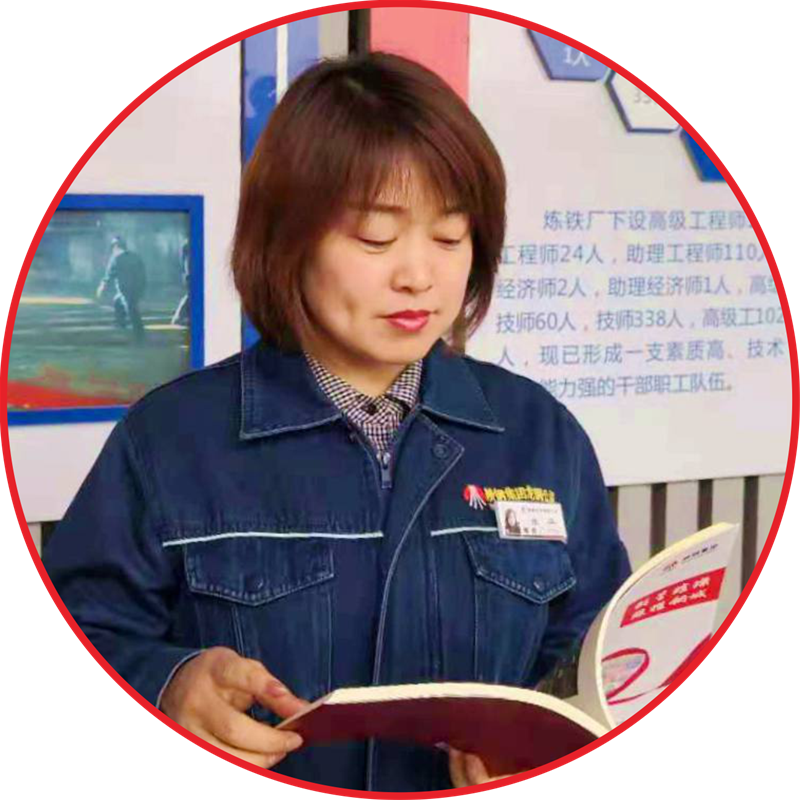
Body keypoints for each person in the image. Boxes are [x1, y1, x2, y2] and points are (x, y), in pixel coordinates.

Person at [44, 52, 630, 792]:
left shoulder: (539, 434)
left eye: (450, 237)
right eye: (376, 239)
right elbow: (69, 648)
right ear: (287, 239)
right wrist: (169, 684)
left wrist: (551, 748)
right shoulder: (168, 441)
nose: (418, 276)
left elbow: (594, 653)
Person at [96, 235, 146, 341]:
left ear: (116, 247)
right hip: (136, 288)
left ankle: (139, 335)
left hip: (125, 289)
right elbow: (142, 274)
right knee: (118, 302)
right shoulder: (135, 256)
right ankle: (121, 324)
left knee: (132, 311)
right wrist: (141, 289)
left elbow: (109, 275)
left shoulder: (116, 258)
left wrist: (102, 287)